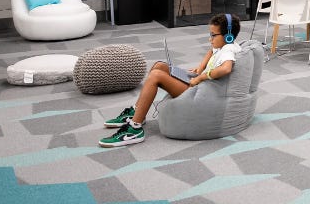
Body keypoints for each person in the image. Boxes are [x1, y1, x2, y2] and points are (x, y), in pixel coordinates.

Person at [99, 14, 242, 148]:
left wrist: (200, 77)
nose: (210, 39)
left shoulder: (228, 50)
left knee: (156, 75)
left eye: (213, 35)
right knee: (159, 66)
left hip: (201, 93)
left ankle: (134, 129)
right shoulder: (224, 45)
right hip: (199, 85)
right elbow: (211, 51)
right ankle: (137, 112)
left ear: (228, 36)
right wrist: (200, 68)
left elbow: (226, 69)